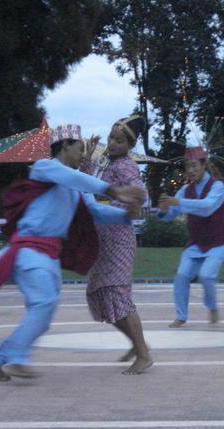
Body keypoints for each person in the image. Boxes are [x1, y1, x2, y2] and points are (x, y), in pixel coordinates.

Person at [0, 124, 145, 381]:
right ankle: (17, 358)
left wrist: (125, 214)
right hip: (30, 251)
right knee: (44, 304)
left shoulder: (72, 184)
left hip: (45, 256)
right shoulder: (45, 167)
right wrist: (114, 191)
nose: (84, 154)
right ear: (65, 145)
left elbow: (96, 211)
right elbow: (75, 178)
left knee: (42, 314)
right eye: (80, 148)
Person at [81, 115, 152, 375]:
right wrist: (88, 159)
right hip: (102, 237)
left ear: (130, 145)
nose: (112, 144)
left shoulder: (127, 166)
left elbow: (138, 196)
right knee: (101, 294)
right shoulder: (105, 162)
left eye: (119, 141)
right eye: (111, 138)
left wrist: (116, 206)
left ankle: (143, 353)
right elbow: (87, 184)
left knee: (117, 294)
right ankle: (137, 343)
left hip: (118, 237)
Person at [157, 145, 224, 328]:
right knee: (182, 275)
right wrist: (164, 210)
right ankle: (181, 316)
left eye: (194, 166)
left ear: (204, 165)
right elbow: (171, 214)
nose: (191, 171)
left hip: (219, 241)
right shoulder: (185, 190)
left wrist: (178, 202)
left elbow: (207, 207)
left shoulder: (218, 187)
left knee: (206, 276)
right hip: (196, 243)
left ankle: (212, 307)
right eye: (187, 167)